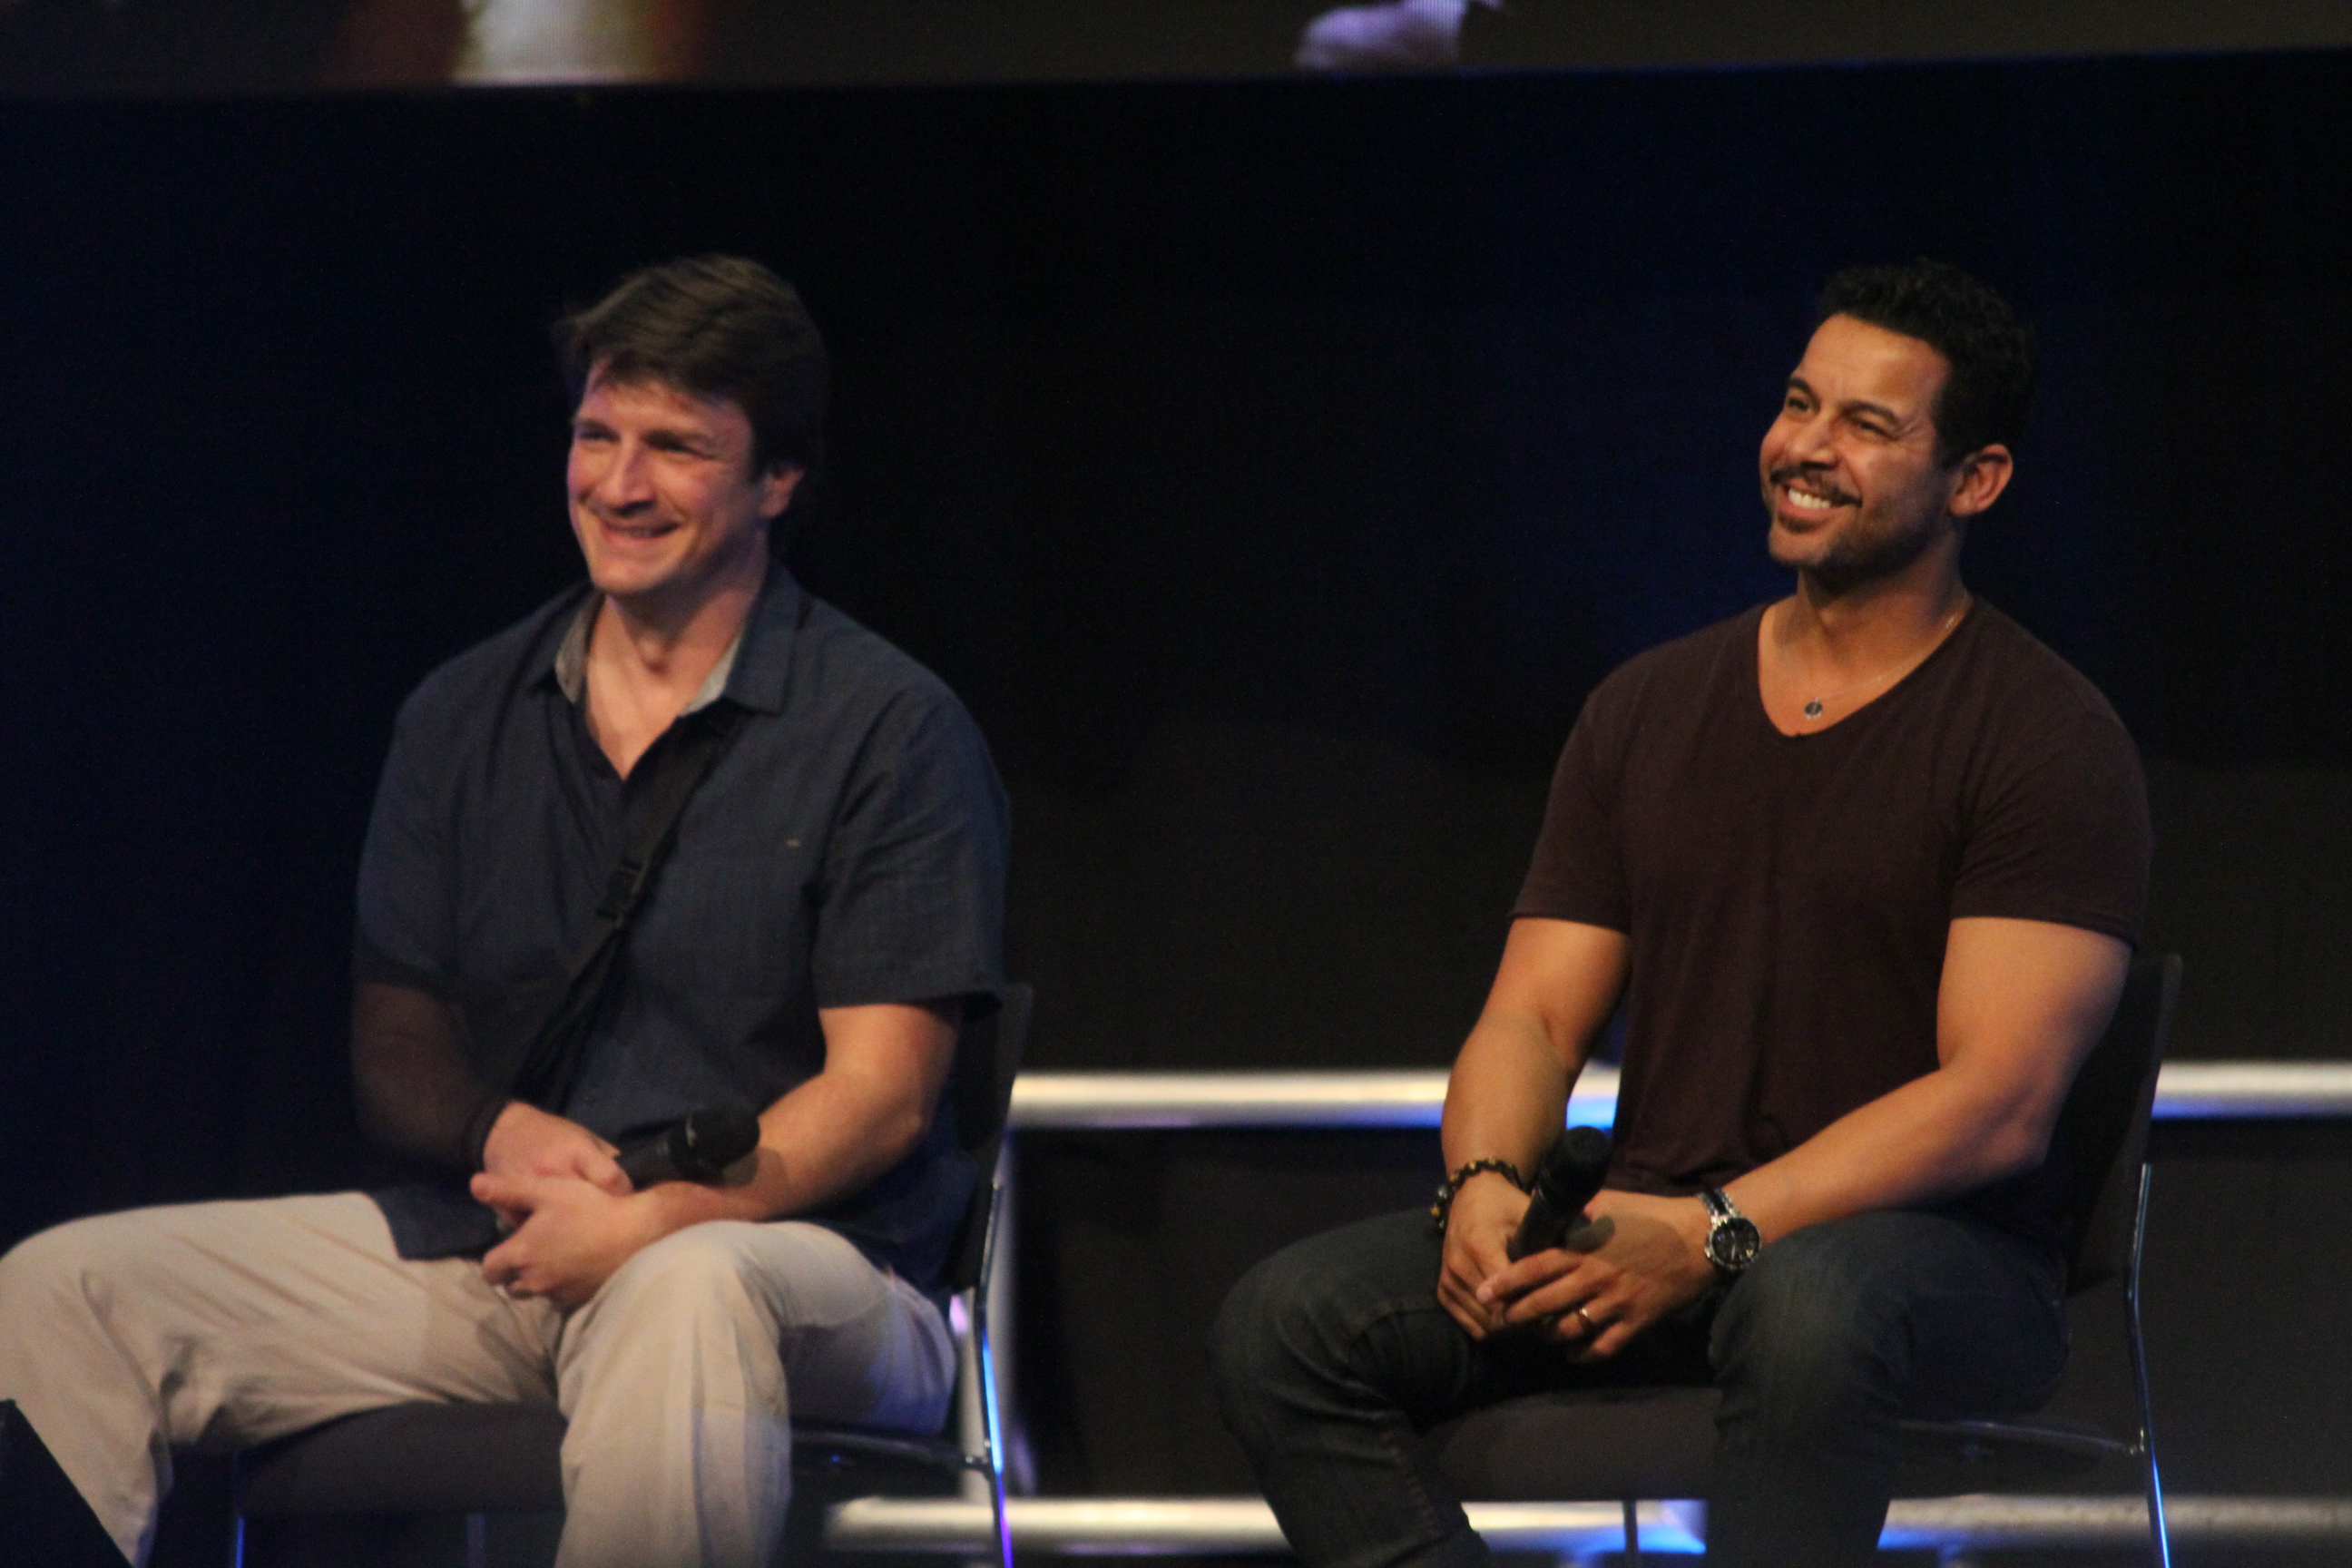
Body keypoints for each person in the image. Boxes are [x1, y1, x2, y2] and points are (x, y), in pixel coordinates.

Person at [0, 255, 1010, 1568]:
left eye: (676, 448)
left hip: (805, 1265)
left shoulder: (888, 726)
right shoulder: (460, 714)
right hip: (510, 1253)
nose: (619, 484)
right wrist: (505, 1129)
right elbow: (399, 1051)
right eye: (597, 436)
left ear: (778, 481)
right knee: (63, 1291)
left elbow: (879, 1099)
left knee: (685, 1289)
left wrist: (649, 1222)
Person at [1211, 260, 2151, 1568]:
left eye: (1866, 426)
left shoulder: (2044, 737)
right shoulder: (1646, 708)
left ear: (1974, 481)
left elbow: (1996, 1101)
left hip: (1933, 1265)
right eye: (1799, 404)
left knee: (1809, 1305)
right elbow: (1534, 1020)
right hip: (1659, 1230)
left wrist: (1716, 1232)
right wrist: (1483, 1186)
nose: (1805, 448)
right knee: (1290, 1323)